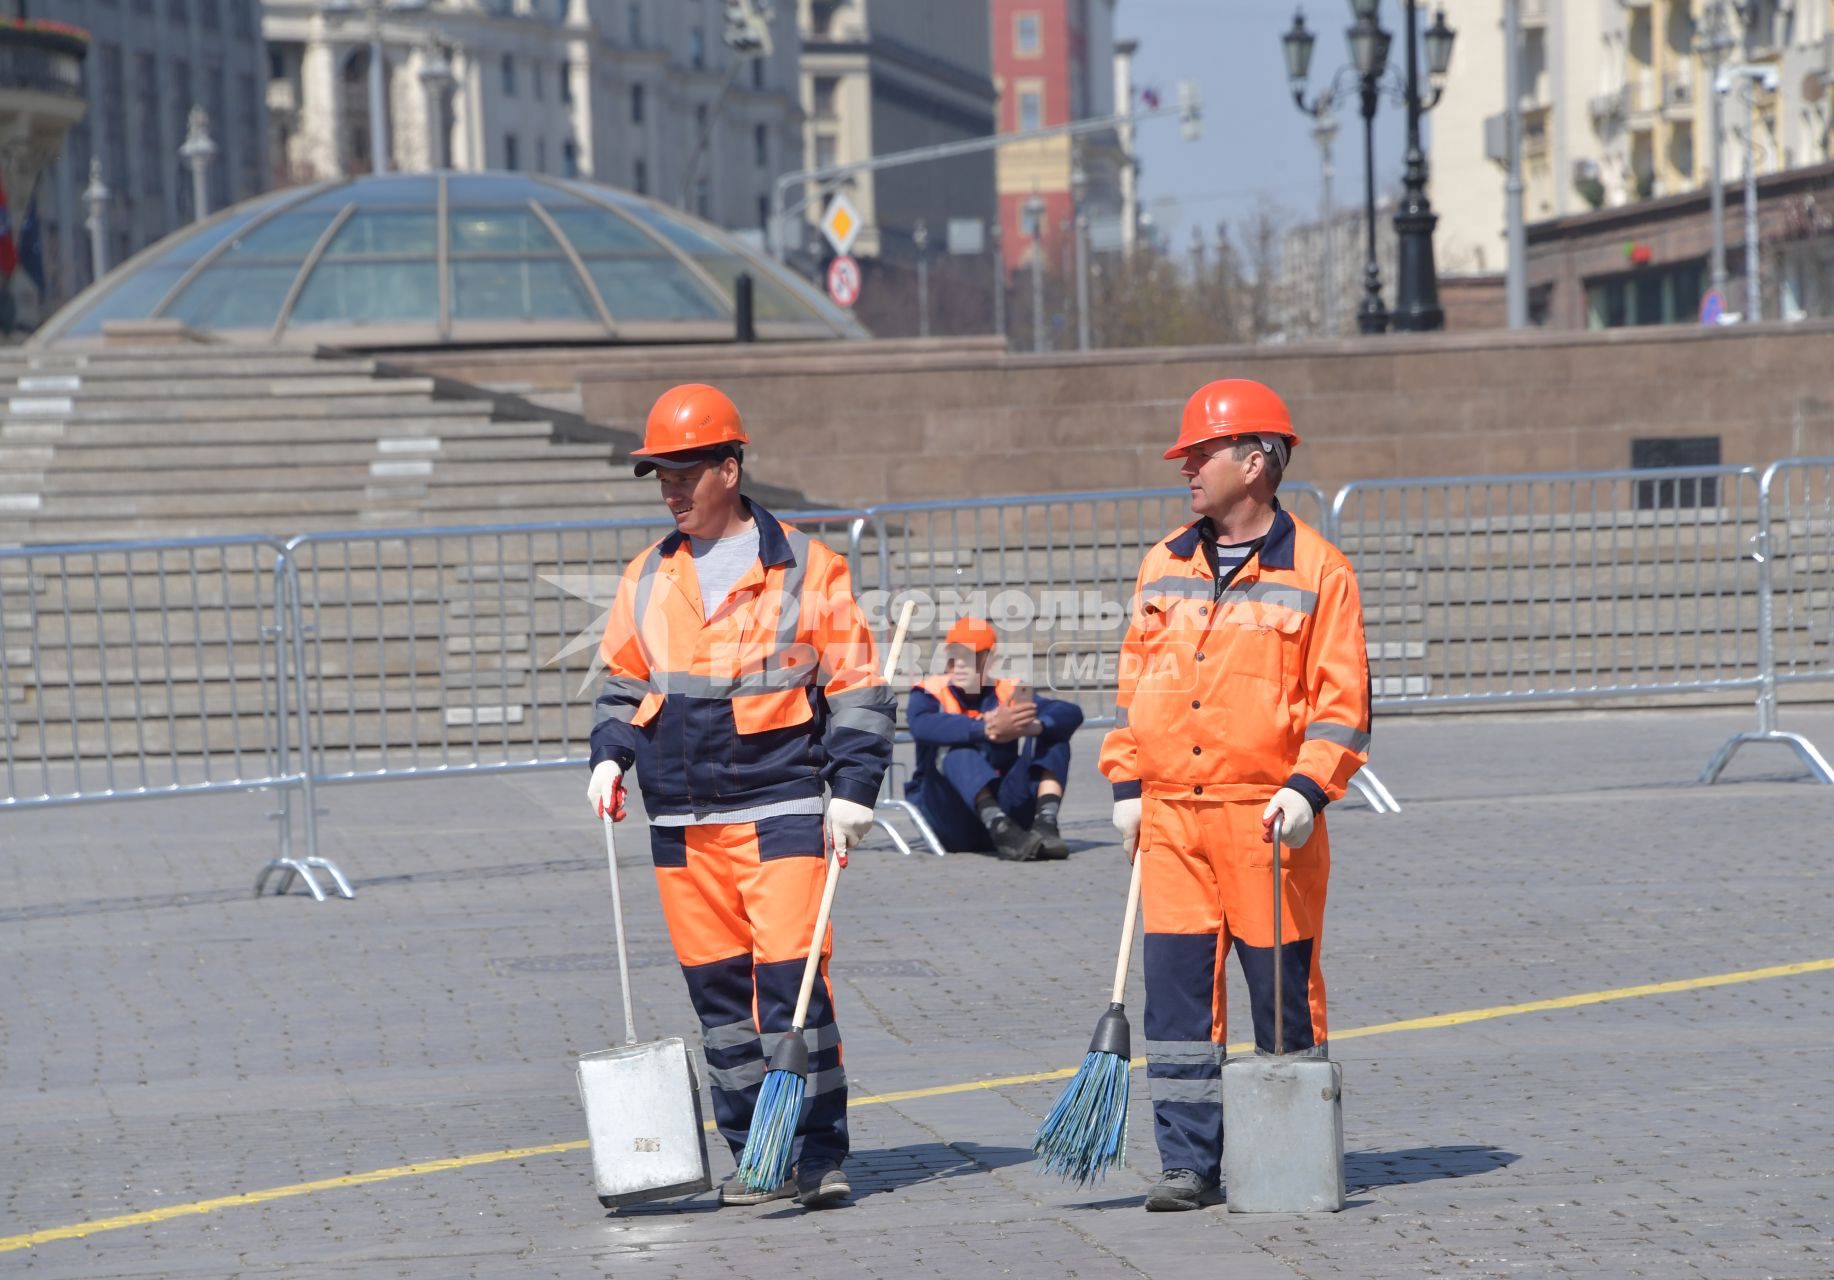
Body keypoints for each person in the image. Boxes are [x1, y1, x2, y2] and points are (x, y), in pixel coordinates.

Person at [585, 383, 894, 1210]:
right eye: (660, 475)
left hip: (782, 810)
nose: (671, 489)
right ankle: (757, 1154)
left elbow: (858, 684)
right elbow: (623, 682)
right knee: (720, 1001)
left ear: (731, 467)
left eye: (685, 471)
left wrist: (854, 790)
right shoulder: (648, 576)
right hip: (683, 824)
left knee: (792, 986)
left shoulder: (808, 567)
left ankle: (818, 1152)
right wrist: (610, 757)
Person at [1098, 378, 1370, 1212]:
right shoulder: (1164, 561)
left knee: (1280, 993)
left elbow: (1344, 706)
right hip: (1175, 816)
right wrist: (1126, 778)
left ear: (1255, 463)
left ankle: (1288, 1152)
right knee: (1177, 997)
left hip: (1266, 819)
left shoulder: (1320, 571)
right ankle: (1189, 1162)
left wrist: (1306, 790)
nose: (1185, 468)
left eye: (1200, 454)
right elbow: (1136, 680)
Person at [905, 616, 1084, 860]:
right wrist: (986, 728)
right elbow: (921, 724)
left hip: (1010, 814)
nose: (958, 664)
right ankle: (996, 823)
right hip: (951, 816)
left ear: (990, 660)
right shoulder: (930, 691)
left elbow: (1070, 713)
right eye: (952, 656)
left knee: (1054, 735)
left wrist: (1036, 727)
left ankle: (1046, 824)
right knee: (956, 748)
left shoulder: (1008, 690)